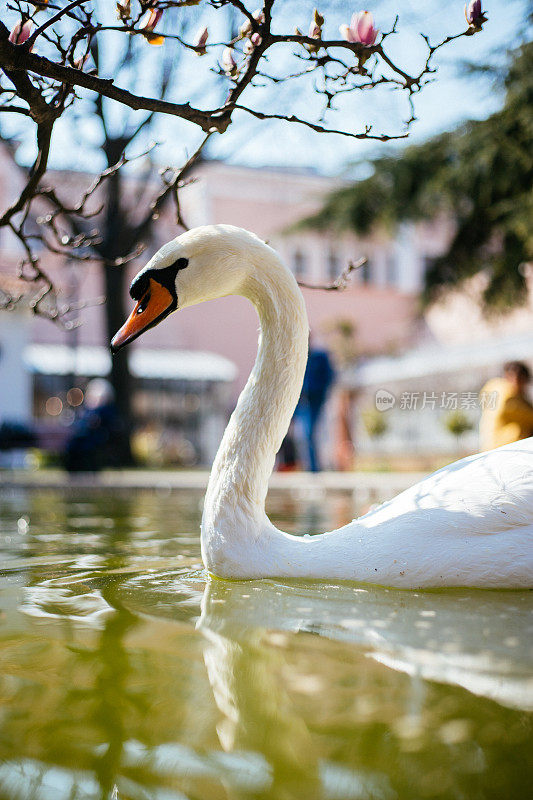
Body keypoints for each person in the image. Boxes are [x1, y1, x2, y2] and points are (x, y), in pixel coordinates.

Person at [64, 379, 122, 472]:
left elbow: (106, 426)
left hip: (98, 438)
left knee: (83, 446)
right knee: (73, 445)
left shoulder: (106, 410)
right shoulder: (88, 410)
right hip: (83, 438)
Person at [295, 338, 335, 472]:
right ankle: (310, 467)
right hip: (302, 402)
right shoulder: (298, 357)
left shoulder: (319, 357)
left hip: (316, 401)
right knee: (303, 435)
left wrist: (319, 392)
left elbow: (330, 377)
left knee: (312, 434)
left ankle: (315, 468)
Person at [479, 361, 533, 451]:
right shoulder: (509, 396)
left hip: (488, 446)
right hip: (507, 447)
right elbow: (529, 415)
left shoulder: (494, 389)